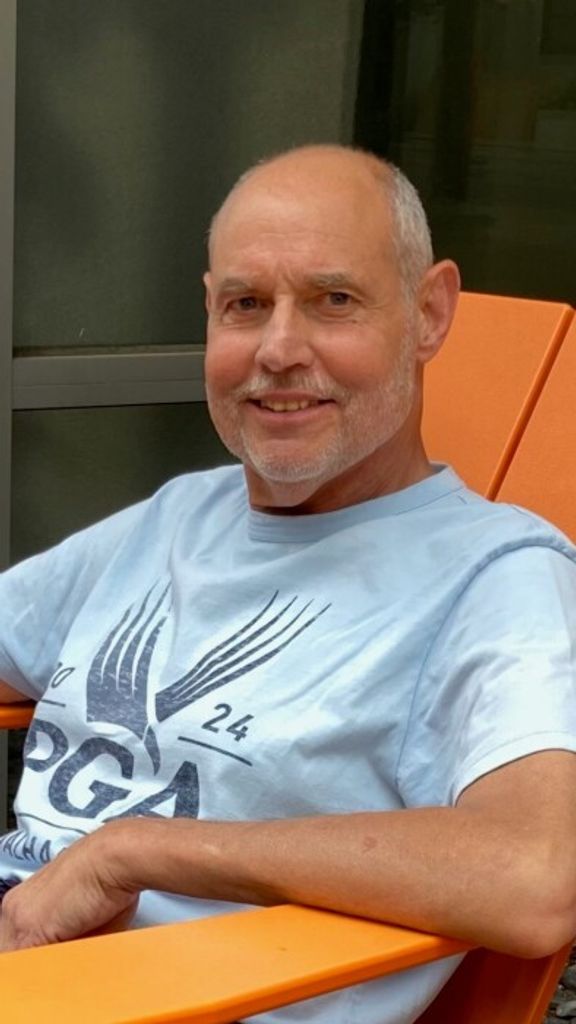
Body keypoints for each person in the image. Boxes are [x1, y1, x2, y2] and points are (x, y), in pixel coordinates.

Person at [0, 144, 576, 1024]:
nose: (277, 349)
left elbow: (533, 874)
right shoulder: (182, 515)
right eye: (245, 305)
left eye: (332, 300)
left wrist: (137, 852)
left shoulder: (496, 577)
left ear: (429, 313)